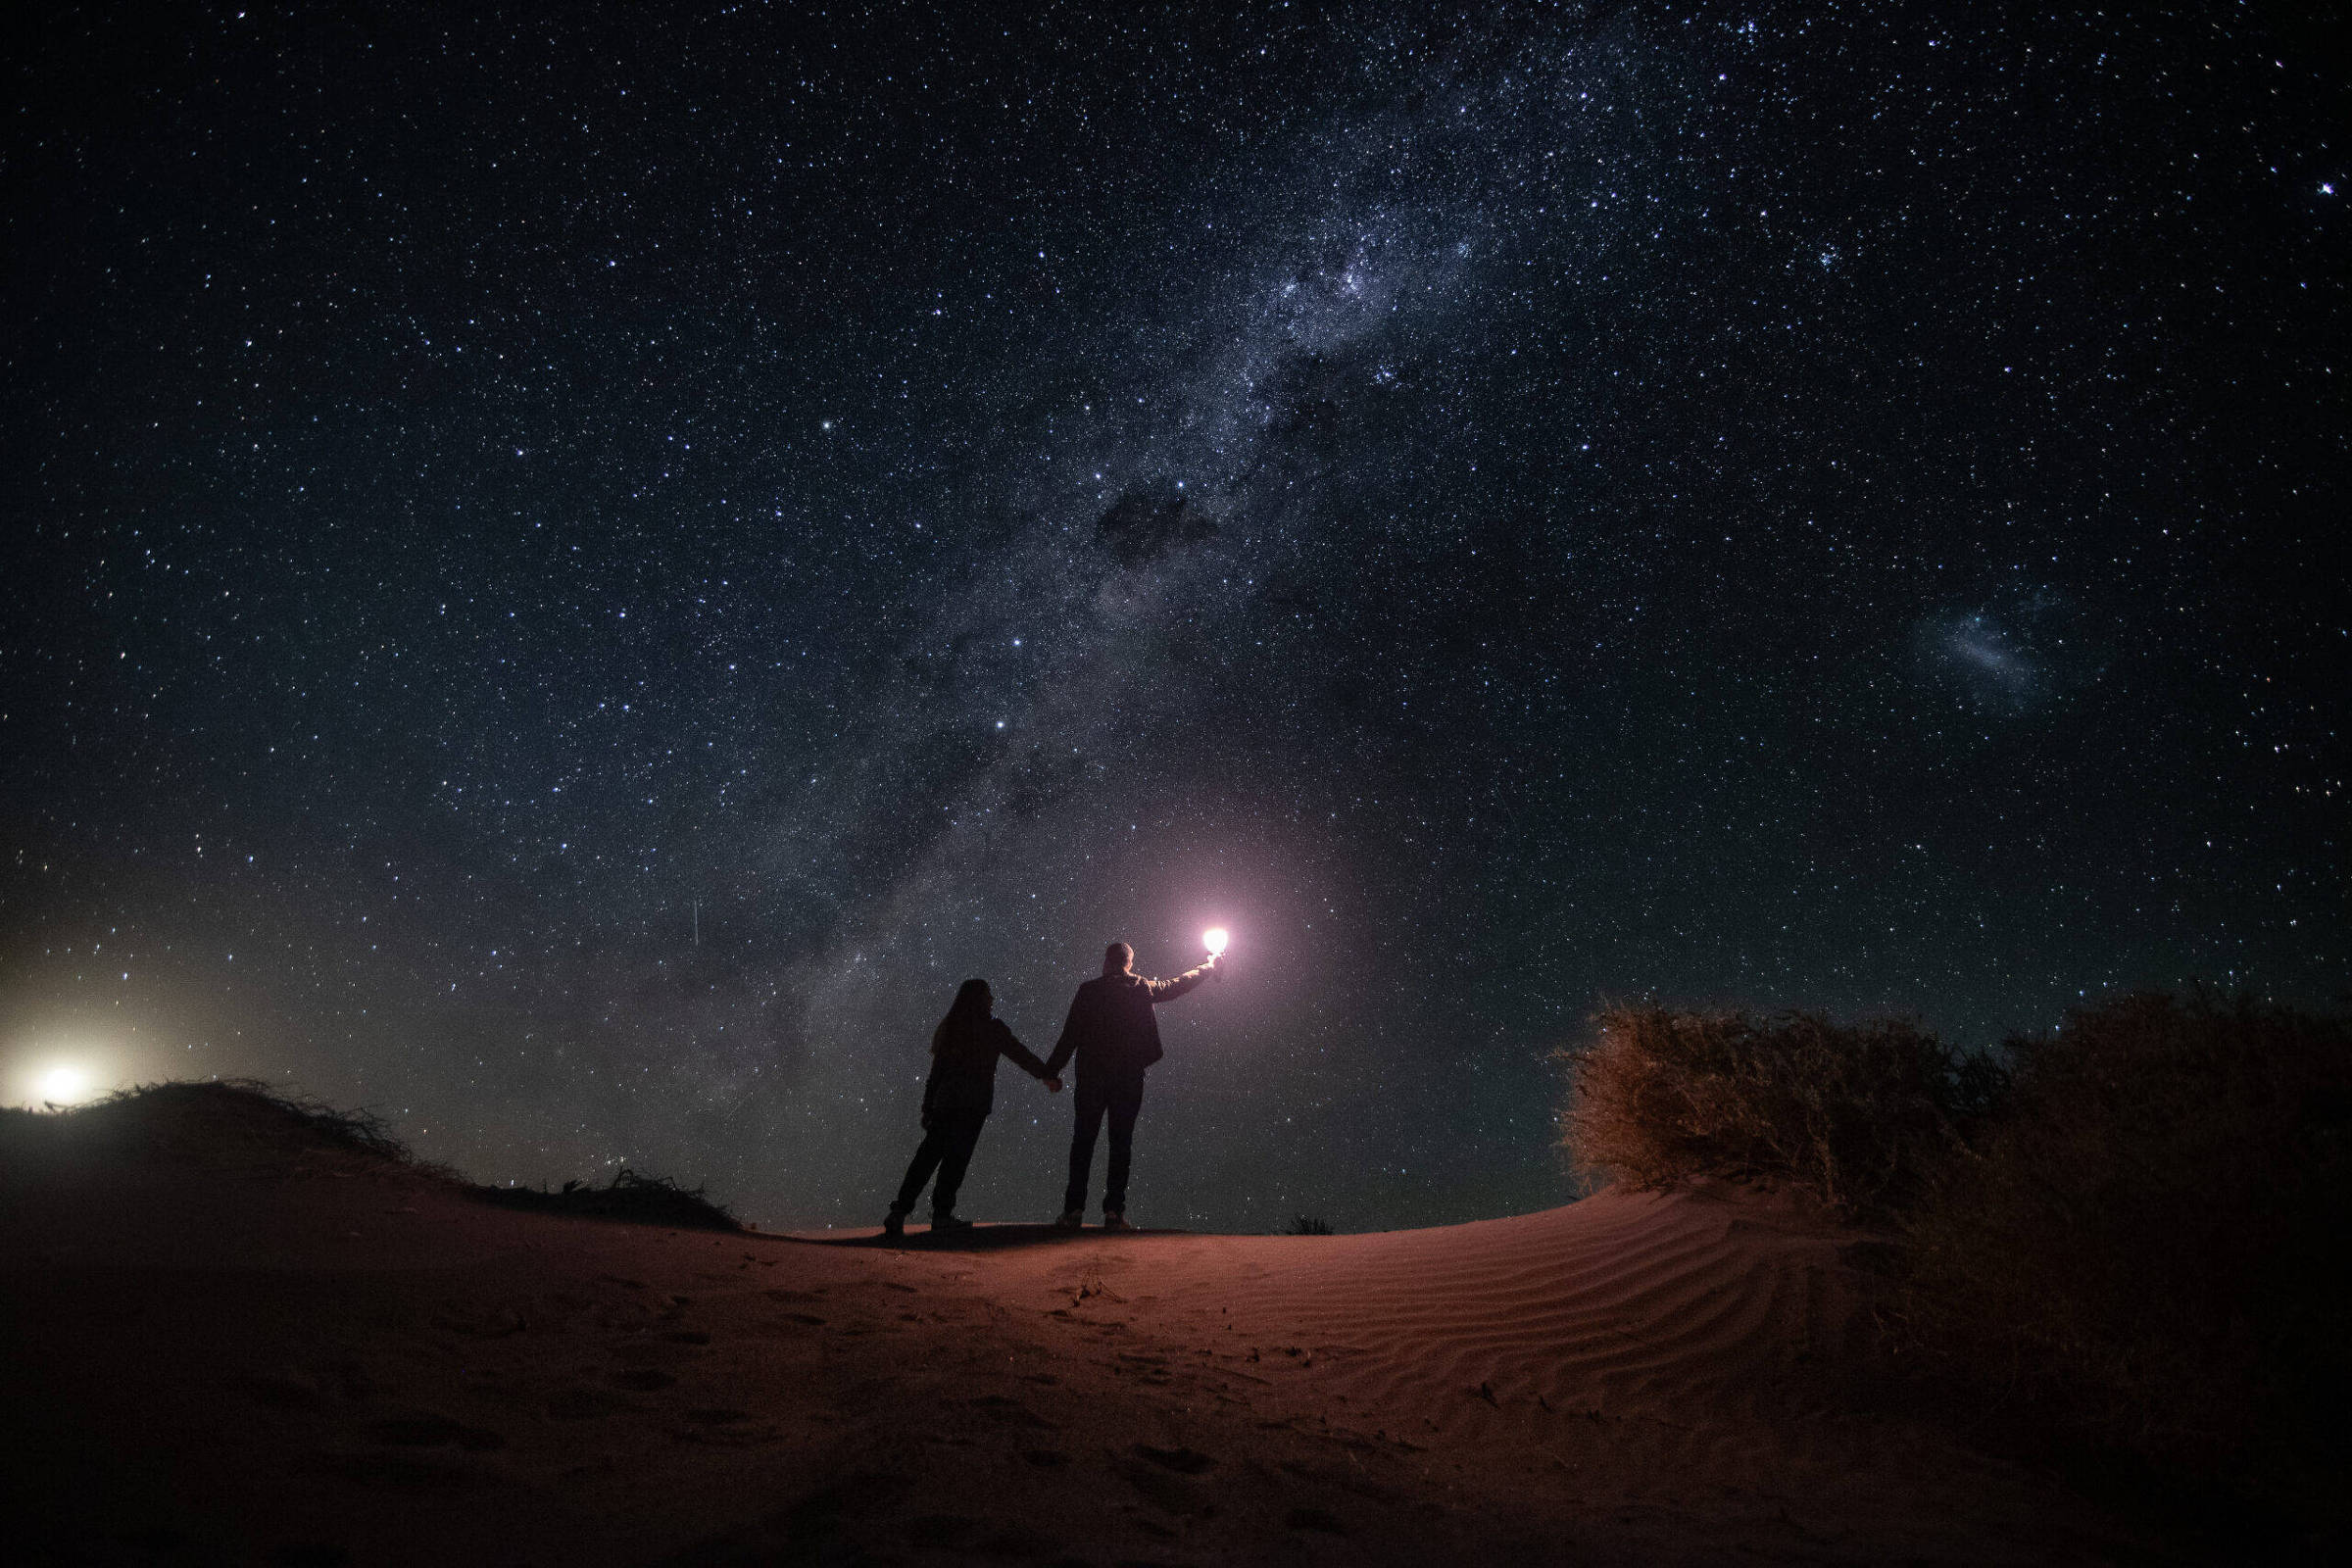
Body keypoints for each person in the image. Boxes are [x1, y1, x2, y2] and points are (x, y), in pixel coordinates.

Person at [1046, 940, 1219, 1231]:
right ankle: (1114, 1212)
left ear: (1106, 963)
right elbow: (1177, 985)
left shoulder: (1089, 991)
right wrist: (1208, 967)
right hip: (1128, 1078)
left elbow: (1070, 1035)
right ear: (1129, 963)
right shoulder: (1141, 987)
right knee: (1121, 1143)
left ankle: (1073, 1210)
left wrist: (1051, 1071)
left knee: (1083, 1142)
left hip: (1091, 1078)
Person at [885, 978, 1059, 1237]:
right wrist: (1047, 1075)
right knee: (956, 1160)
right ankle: (941, 1214)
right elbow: (1020, 1054)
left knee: (927, 1157)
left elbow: (936, 1073)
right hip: (972, 1105)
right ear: (979, 998)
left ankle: (900, 1211)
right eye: (988, 994)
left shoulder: (952, 1028)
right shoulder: (992, 1029)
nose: (992, 999)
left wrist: (927, 1106)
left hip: (946, 1102)